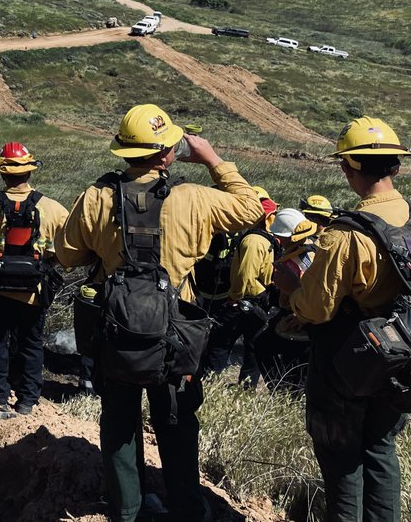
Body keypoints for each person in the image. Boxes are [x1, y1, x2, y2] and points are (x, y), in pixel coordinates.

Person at [55, 104, 262, 522]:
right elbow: (253, 208)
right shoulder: (193, 198)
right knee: (177, 419)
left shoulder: (96, 196)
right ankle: (186, 505)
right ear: (167, 154)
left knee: (118, 421)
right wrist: (213, 161)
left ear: (124, 152)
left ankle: (126, 510)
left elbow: (67, 255)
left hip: (116, 328)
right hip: (176, 330)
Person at [286, 117, 411, 522]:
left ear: (348, 167)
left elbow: (316, 308)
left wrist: (292, 300)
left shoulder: (345, 235)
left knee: (340, 454)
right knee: (380, 447)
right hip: (408, 359)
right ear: (396, 166)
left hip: (349, 361)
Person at [0, 142, 68, 419]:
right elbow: (68, 247)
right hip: (34, 291)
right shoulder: (53, 209)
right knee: (31, 343)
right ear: (30, 173)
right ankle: (27, 400)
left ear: (2, 174)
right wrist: (49, 265)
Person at [204, 187, 279, 385]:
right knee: (252, 346)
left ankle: (210, 381)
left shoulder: (252, 240)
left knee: (220, 342)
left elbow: (244, 276)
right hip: (260, 300)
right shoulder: (267, 238)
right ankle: (247, 386)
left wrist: (233, 298)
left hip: (244, 300)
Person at [254, 207, 319, 393]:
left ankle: (284, 392)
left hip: (297, 316)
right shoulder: (313, 249)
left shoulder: (293, 261)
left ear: (289, 237)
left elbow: (305, 291)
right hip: (304, 314)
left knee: (267, 348)